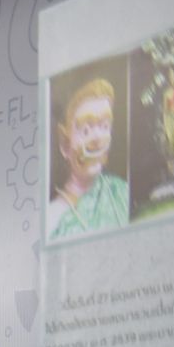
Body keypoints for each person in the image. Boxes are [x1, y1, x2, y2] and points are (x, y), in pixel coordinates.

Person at [48, 76, 130, 238]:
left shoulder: (121, 192)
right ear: (65, 143)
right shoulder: (52, 217)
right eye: (86, 130)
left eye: (104, 126)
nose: (97, 138)